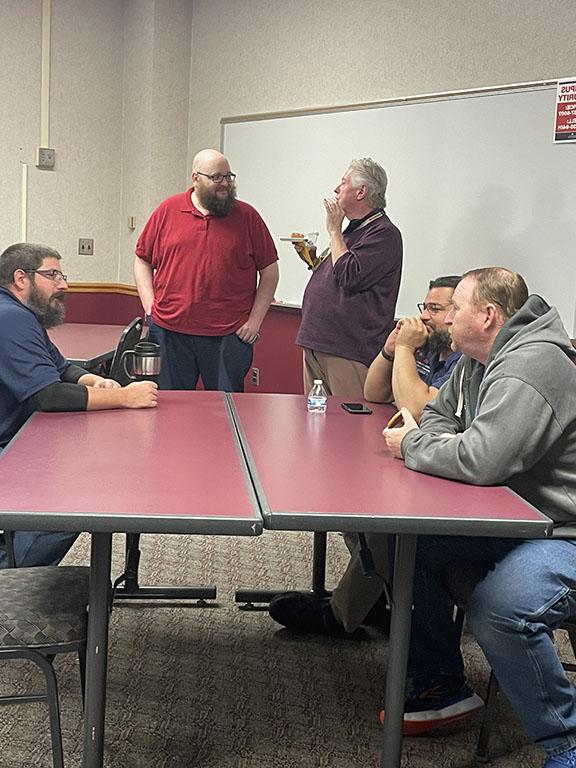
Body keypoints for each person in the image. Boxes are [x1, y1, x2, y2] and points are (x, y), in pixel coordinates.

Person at [382, 267, 576, 768]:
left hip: (562, 531)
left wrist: (416, 446)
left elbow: (483, 459)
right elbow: (440, 418)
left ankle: (566, 742)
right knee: (400, 541)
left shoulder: (531, 366)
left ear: (488, 315)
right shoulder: (476, 361)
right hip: (511, 519)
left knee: (501, 608)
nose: (444, 319)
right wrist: (437, 441)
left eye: (455, 308)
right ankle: (442, 683)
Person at [269, 275, 461, 637]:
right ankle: (378, 596)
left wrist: (404, 350)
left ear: (458, 313)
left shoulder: (463, 361)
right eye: (425, 307)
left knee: (381, 531)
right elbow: (374, 392)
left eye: (436, 309)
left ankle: (341, 616)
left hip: (442, 472)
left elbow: (418, 410)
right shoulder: (430, 348)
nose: (426, 317)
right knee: (350, 508)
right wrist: (390, 350)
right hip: (411, 456)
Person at [0, 243, 158, 568]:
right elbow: (49, 395)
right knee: (79, 494)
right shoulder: (11, 319)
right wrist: (126, 397)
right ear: (20, 278)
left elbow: (61, 367)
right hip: (9, 449)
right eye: (52, 274)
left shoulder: (21, 315)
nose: (64, 285)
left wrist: (92, 381)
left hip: (20, 440)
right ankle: (15, 575)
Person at [134, 149, 279, 392]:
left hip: (228, 335)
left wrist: (254, 322)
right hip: (170, 331)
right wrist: (149, 304)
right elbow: (142, 259)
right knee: (170, 411)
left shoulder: (247, 217)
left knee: (224, 411)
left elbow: (270, 270)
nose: (225, 184)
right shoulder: (167, 210)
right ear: (196, 178)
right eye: (217, 178)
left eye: (229, 177)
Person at [295, 157, 402, 397]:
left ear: (362, 191)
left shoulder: (384, 234)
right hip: (319, 343)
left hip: (349, 349)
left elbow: (349, 275)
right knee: (316, 422)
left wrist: (334, 230)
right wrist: (314, 261)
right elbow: (337, 270)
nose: (336, 189)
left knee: (348, 427)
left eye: (343, 183)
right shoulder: (355, 230)